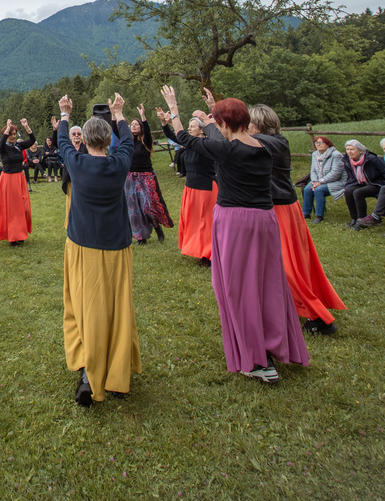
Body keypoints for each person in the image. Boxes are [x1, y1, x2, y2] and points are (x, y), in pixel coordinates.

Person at [159, 85, 308, 384]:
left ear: (224, 124)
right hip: (265, 221)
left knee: (237, 288)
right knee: (267, 284)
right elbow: (219, 134)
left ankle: (256, 360)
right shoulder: (267, 147)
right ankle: (275, 345)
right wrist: (215, 109)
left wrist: (173, 108)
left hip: (236, 223)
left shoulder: (226, 150)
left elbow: (184, 137)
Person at [56, 93, 141, 405]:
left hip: (84, 247)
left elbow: (62, 140)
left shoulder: (77, 163)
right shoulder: (119, 164)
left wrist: (65, 115)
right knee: (118, 309)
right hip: (117, 247)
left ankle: (89, 374)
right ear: (108, 140)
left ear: (86, 140)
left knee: (87, 308)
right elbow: (128, 141)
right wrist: (119, 114)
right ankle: (116, 373)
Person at [247, 104, 345, 336]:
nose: (245, 127)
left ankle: (319, 318)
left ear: (258, 124)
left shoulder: (270, 142)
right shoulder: (272, 141)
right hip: (281, 206)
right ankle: (292, 305)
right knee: (288, 264)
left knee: (287, 266)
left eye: (248, 122)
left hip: (280, 209)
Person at [160, 116, 217, 266]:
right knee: (195, 222)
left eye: (192, 126)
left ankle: (210, 254)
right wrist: (164, 123)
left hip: (206, 189)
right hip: (191, 187)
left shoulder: (207, 144)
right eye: (189, 126)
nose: (189, 129)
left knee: (206, 223)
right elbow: (173, 136)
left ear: (202, 130)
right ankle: (200, 250)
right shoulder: (190, 144)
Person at [125, 106, 175, 244]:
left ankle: (157, 227)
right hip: (130, 177)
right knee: (134, 208)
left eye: (137, 124)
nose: (134, 126)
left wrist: (143, 117)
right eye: (132, 124)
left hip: (146, 176)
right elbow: (117, 131)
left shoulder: (145, 140)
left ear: (141, 127)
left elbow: (147, 131)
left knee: (148, 206)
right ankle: (141, 237)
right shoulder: (128, 141)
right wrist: (114, 114)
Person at [0, 118, 35, 246]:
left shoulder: (18, 145)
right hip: (9, 179)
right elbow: (0, 143)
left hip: (20, 178)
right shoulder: (3, 148)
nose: (13, 136)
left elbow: (32, 141)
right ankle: (13, 236)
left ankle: (20, 232)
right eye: (10, 134)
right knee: (12, 209)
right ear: (6, 135)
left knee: (23, 206)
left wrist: (27, 127)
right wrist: (7, 128)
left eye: (14, 134)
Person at [341, 140, 385, 229]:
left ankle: (361, 220)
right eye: (347, 149)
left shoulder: (372, 159)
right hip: (361, 182)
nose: (349, 152)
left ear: (360, 151)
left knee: (358, 192)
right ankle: (354, 218)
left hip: (376, 183)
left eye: (352, 149)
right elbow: (350, 176)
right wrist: (348, 185)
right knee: (348, 191)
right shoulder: (347, 160)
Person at [302, 136, 346, 224]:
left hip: (336, 181)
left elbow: (336, 173)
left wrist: (320, 182)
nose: (318, 144)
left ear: (328, 144)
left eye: (321, 142)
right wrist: (315, 181)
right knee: (307, 189)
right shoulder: (315, 154)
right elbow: (313, 170)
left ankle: (319, 216)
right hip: (319, 181)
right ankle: (306, 214)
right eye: (316, 143)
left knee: (319, 190)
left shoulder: (336, 155)